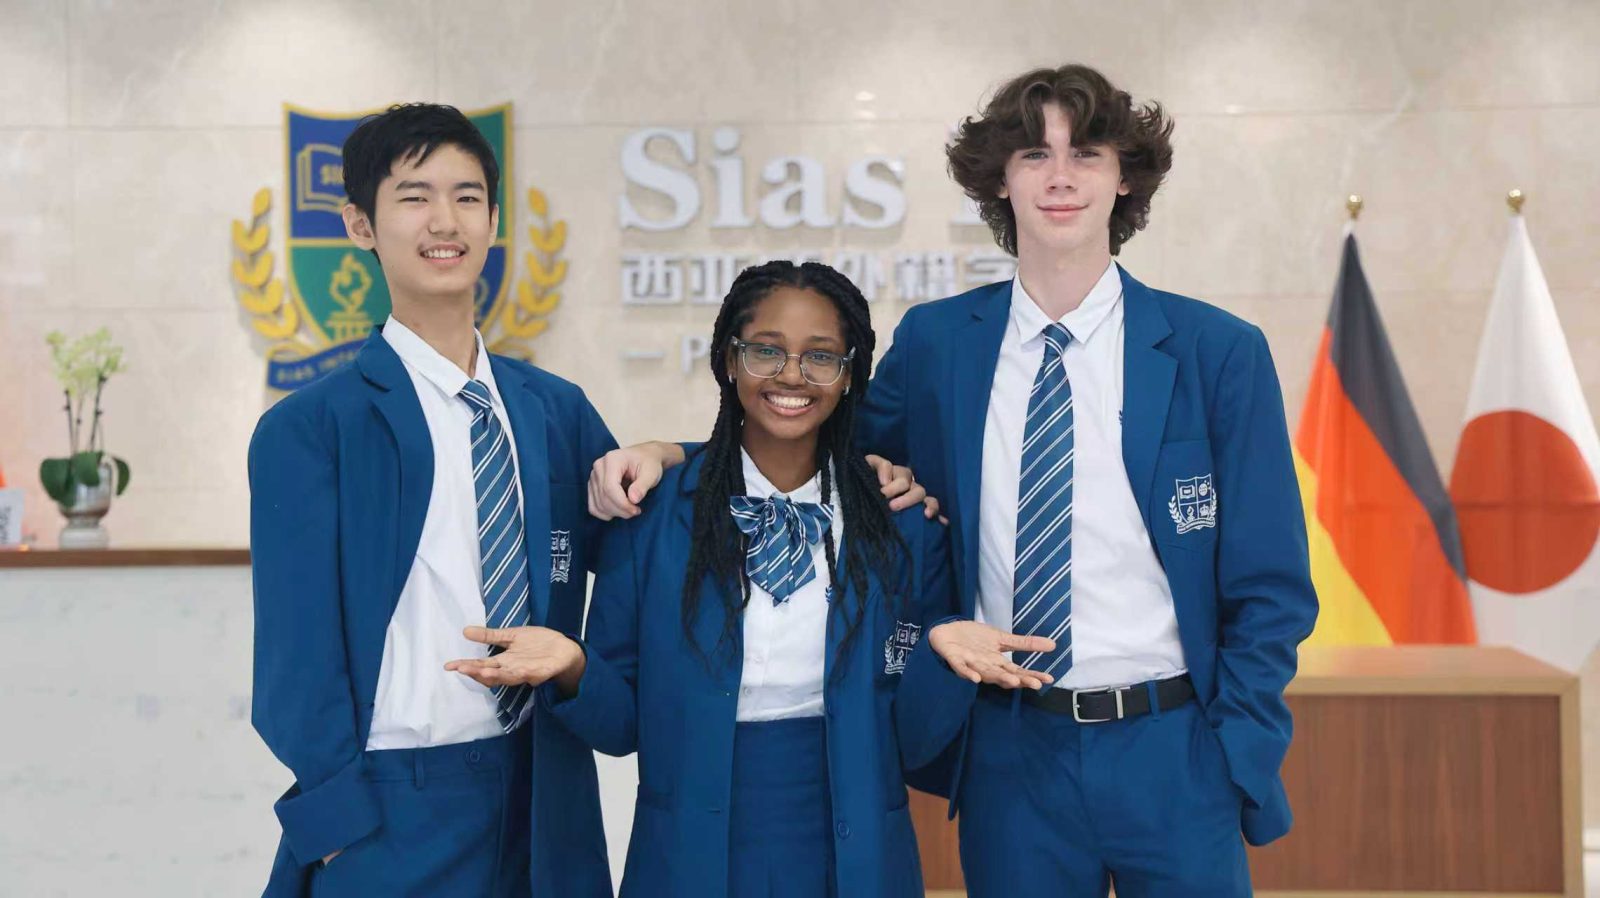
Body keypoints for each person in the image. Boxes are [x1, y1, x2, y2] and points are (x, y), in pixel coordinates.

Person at [590, 64, 1318, 897]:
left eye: (1085, 153)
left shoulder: (1217, 351)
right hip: (1010, 747)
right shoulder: (941, 344)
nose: (1060, 177)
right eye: (1034, 154)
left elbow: (1271, 583)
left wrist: (1237, 748)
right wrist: (674, 453)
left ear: (1125, 177)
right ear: (999, 179)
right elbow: (807, 439)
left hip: (1174, 744)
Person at [448, 260, 991, 898]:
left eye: (821, 356)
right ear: (730, 360)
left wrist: (945, 660)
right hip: (687, 861)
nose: (792, 374)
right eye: (766, 350)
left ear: (850, 376)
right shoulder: (653, 517)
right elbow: (620, 728)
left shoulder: (901, 524)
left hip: (858, 862)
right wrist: (573, 666)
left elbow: (915, 743)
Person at [248, 103, 613, 898]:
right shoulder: (310, 428)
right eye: (414, 196)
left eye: (467, 196)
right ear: (360, 224)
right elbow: (293, 667)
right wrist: (340, 837)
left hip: (546, 801)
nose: (445, 220)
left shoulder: (556, 409)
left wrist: (665, 454)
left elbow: (647, 545)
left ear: (493, 221)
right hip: (391, 813)